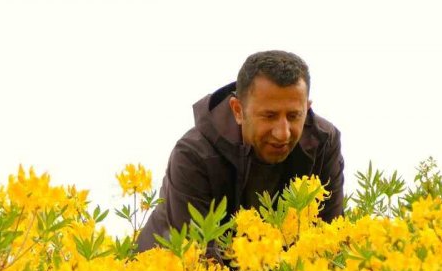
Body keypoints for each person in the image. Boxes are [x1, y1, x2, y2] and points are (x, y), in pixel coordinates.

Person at [136, 50, 345, 253]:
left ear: (307, 108)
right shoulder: (193, 155)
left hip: (267, 269)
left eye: (293, 116)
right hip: (163, 270)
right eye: (269, 116)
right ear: (237, 110)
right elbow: (196, 259)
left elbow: (331, 239)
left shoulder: (324, 142)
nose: (283, 133)